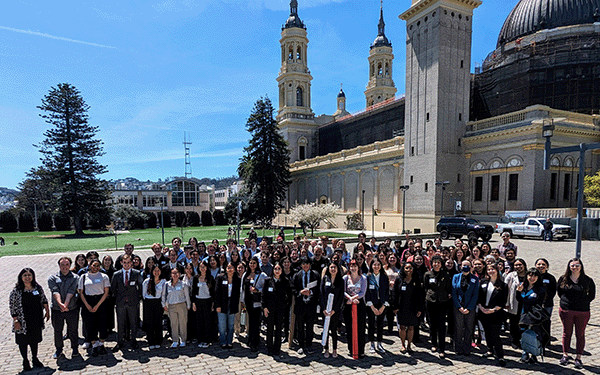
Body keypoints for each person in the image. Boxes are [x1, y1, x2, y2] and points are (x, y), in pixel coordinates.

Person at [557, 258, 596, 369]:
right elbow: (559, 292)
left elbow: (591, 295)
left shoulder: (587, 280)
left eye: (577, 265)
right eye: (572, 265)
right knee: (566, 333)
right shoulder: (563, 279)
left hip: (582, 311)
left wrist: (582, 302)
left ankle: (578, 357)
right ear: (569, 267)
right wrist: (567, 303)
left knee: (580, 334)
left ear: (581, 267)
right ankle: (565, 355)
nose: (574, 267)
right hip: (566, 311)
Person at [10, 268, 50, 371]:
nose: (27, 277)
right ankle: (25, 360)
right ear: (21, 277)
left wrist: (47, 310)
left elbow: (43, 299)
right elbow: (12, 306)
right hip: (22, 320)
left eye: (29, 275)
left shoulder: (37, 287)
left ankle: (34, 358)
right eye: (25, 275)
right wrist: (15, 320)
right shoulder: (16, 291)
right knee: (23, 342)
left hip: (35, 319)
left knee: (34, 341)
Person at [48, 257, 80, 360]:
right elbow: (55, 291)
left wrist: (65, 304)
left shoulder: (75, 277)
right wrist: (60, 304)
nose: (64, 267)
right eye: (62, 265)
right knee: (58, 330)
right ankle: (59, 349)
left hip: (71, 308)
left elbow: (71, 291)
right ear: (59, 266)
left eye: (67, 265)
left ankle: (75, 348)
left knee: (73, 330)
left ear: (70, 265)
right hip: (57, 309)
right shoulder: (52, 278)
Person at [477, 263, 508, 367]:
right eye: (489, 269)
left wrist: (493, 310)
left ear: (497, 270)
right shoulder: (483, 282)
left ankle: (500, 356)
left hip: (495, 314)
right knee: (487, 333)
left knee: (495, 335)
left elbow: (503, 302)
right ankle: (490, 350)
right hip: (483, 312)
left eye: (493, 269)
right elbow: (479, 296)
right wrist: (481, 307)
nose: (490, 271)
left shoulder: (503, 285)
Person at [78, 259, 110, 356]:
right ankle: (94, 345)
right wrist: (87, 305)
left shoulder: (104, 276)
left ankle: (101, 344)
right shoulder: (83, 277)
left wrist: (97, 305)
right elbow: (81, 292)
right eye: (94, 265)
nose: (95, 267)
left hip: (101, 302)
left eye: (98, 266)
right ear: (90, 265)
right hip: (88, 301)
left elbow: (106, 292)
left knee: (102, 324)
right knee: (90, 324)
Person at [111, 254, 143, 352]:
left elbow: (140, 287)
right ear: (121, 263)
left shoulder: (136, 273)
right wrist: (119, 298)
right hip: (120, 302)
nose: (127, 264)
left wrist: (137, 298)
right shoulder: (117, 274)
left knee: (133, 322)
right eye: (124, 263)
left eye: (129, 262)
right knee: (121, 323)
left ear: (131, 262)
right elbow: (113, 289)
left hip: (133, 302)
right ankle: (120, 341)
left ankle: (133, 340)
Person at [423, 255, 452, 358]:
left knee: (441, 326)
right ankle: (434, 344)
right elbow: (426, 288)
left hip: (442, 302)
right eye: (434, 262)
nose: (436, 264)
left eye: (438, 262)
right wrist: (429, 296)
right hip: (431, 301)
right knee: (432, 324)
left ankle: (442, 348)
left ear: (441, 264)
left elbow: (448, 288)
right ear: (432, 264)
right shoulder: (427, 274)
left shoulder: (446, 274)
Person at [516, 268, 547, 364]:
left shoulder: (540, 290)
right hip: (522, 314)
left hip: (533, 316)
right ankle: (524, 353)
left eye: (534, 276)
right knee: (523, 334)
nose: (532, 278)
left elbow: (538, 303)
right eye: (530, 275)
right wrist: (518, 292)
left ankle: (534, 354)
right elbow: (519, 300)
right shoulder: (523, 287)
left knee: (533, 335)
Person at [393, 261, 423, 354]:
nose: (408, 270)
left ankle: (409, 345)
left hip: (413, 307)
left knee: (411, 327)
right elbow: (395, 294)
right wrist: (395, 307)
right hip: (402, 307)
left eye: (410, 268)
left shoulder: (416, 280)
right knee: (402, 326)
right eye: (406, 268)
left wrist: (420, 308)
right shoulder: (399, 280)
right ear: (403, 269)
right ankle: (403, 345)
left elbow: (420, 296)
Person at [262, 263, 292, 356]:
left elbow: (289, 295)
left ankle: (277, 348)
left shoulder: (285, 281)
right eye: (275, 269)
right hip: (270, 309)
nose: (277, 270)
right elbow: (264, 295)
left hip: (280, 309)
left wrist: (285, 306)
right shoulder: (268, 281)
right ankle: (269, 347)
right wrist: (264, 307)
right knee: (270, 328)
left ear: (282, 270)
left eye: (279, 268)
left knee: (279, 329)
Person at [292, 257, 320, 355]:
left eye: (307, 263)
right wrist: (301, 292)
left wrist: (311, 292)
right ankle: (301, 345)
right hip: (300, 304)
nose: (305, 266)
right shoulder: (296, 275)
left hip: (311, 305)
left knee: (310, 325)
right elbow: (293, 289)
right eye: (303, 264)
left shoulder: (315, 275)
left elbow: (318, 289)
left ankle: (309, 344)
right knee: (300, 326)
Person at [451, 259, 480, 356]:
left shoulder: (475, 279)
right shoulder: (455, 277)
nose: (465, 267)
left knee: (469, 328)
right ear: (460, 266)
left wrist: (469, 308)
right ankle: (458, 348)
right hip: (458, 306)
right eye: (464, 265)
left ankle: (467, 348)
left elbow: (475, 294)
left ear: (471, 267)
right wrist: (459, 306)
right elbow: (454, 293)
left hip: (469, 308)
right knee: (458, 328)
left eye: (468, 265)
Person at [242, 257, 267, 352]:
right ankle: (250, 338)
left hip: (256, 302)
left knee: (255, 322)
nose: (252, 265)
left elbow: (266, 288)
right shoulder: (246, 274)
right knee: (250, 321)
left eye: (254, 263)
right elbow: (242, 288)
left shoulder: (262, 275)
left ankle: (255, 342)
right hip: (248, 301)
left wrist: (257, 290)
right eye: (251, 263)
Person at [214, 262, 242, 349]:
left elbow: (237, 293)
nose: (230, 269)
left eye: (232, 267)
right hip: (222, 303)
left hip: (232, 303)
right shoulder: (220, 277)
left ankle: (229, 341)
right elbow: (216, 292)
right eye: (228, 267)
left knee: (230, 324)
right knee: (222, 325)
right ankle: (223, 341)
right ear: (225, 268)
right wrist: (217, 305)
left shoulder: (237, 279)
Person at [162, 267, 191, 348]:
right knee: (173, 324)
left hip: (181, 305)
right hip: (171, 306)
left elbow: (187, 296)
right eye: (173, 273)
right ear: (171, 274)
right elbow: (164, 295)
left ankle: (183, 340)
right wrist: (164, 304)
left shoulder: (183, 284)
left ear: (179, 274)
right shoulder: (167, 284)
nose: (175, 275)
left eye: (176, 273)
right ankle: (175, 340)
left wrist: (188, 305)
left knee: (182, 323)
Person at [320, 262, 344, 358]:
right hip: (325, 310)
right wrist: (323, 309)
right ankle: (326, 349)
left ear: (337, 269)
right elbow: (321, 294)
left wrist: (335, 309)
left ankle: (334, 349)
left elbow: (341, 297)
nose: (333, 269)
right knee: (325, 330)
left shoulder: (341, 281)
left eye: (334, 267)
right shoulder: (325, 279)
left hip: (335, 311)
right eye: (331, 267)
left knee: (333, 331)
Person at [366, 258, 389, 353]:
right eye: (374, 265)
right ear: (371, 266)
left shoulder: (384, 276)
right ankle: (372, 343)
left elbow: (387, 291)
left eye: (378, 265)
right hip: (371, 303)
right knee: (371, 324)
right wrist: (372, 306)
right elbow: (366, 292)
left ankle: (379, 343)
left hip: (382, 303)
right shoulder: (368, 277)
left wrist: (384, 306)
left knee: (380, 325)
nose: (376, 267)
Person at [191, 261, 215, 348]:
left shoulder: (210, 278)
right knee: (199, 321)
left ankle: (207, 340)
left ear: (207, 268)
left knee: (207, 321)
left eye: (204, 267)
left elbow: (213, 293)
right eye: (201, 267)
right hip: (198, 301)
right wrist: (193, 303)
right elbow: (193, 292)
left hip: (207, 301)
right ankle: (200, 339)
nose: (202, 268)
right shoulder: (196, 278)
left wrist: (212, 304)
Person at [142, 264, 166, 349]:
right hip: (148, 303)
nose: (156, 272)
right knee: (150, 323)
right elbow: (144, 294)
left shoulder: (163, 282)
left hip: (158, 302)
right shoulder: (147, 281)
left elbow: (163, 295)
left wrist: (163, 305)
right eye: (154, 270)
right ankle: (151, 341)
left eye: (158, 270)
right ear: (152, 272)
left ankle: (158, 340)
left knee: (158, 322)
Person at [505, 258, 527, 348]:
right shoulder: (511, 275)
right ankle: (515, 340)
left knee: (525, 323)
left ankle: (525, 341)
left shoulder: (529, 275)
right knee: (513, 323)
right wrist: (506, 303)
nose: (518, 267)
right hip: (513, 302)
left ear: (524, 266)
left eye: (520, 265)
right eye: (516, 265)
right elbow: (506, 289)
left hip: (526, 303)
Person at [535, 258, 556, 349]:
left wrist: (545, 300)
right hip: (535, 304)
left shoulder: (550, 278)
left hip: (547, 304)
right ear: (535, 266)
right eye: (539, 264)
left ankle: (546, 341)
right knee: (536, 322)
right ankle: (537, 340)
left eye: (543, 264)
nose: (541, 266)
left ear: (547, 267)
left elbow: (553, 291)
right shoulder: (532, 275)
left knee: (546, 322)